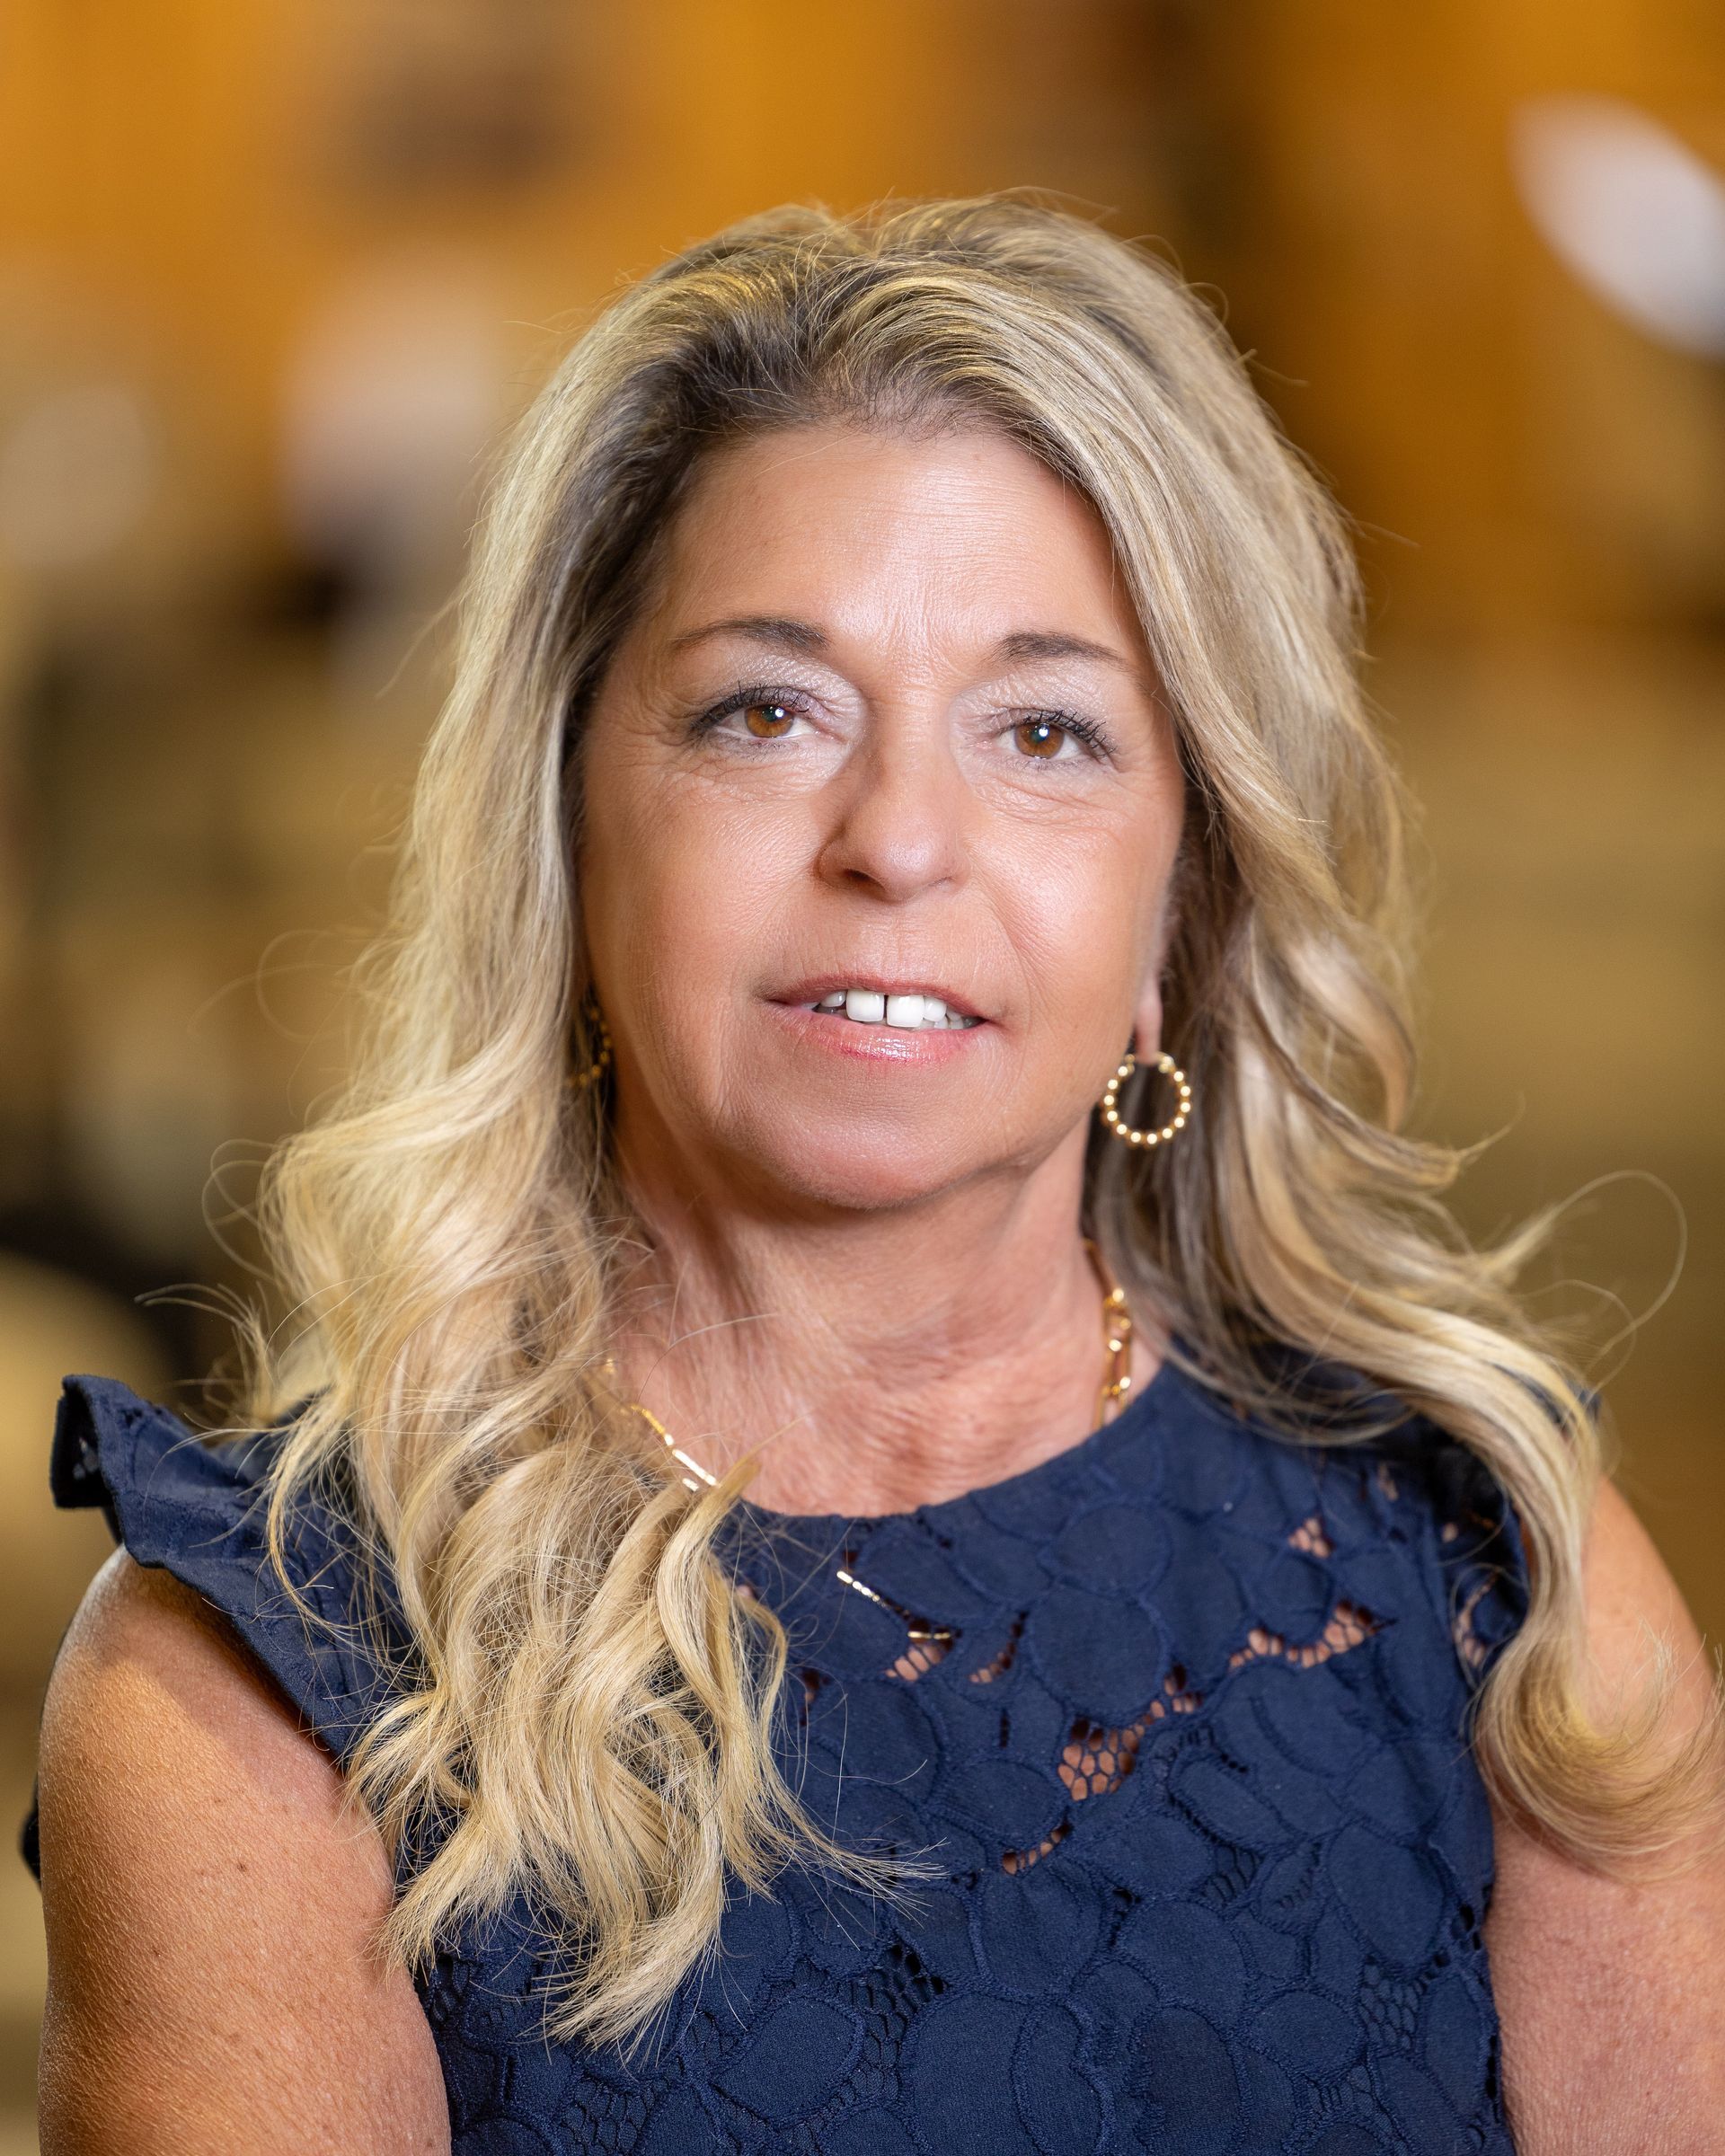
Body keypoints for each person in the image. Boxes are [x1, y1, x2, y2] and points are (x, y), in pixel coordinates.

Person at [29, 195, 1725, 2155]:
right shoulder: (253, 1687)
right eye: (769, 710)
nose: (901, 840)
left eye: (1046, 731)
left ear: (1184, 898)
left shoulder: (1510, 1586)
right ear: (569, 835)